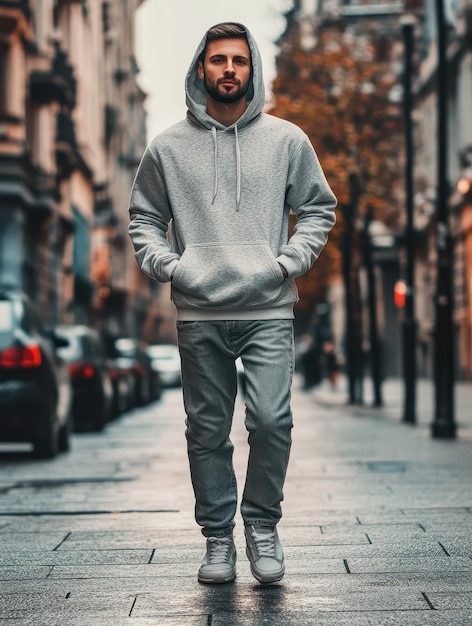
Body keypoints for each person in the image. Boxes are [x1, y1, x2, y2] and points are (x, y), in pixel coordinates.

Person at [128, 22, 337, 585]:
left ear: (252, 69)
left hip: (268, 305)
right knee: (207, 429)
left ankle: (261, 524)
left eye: (238, 61)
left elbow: (318, 209)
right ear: (201, 68)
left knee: (272, 421)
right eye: (218, 60)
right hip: (199, 309)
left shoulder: (287, 140)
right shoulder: (167, 147)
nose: (228, 70)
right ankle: (218, 538)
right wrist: (173, 267)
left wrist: (285, 263)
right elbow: (145, 218)